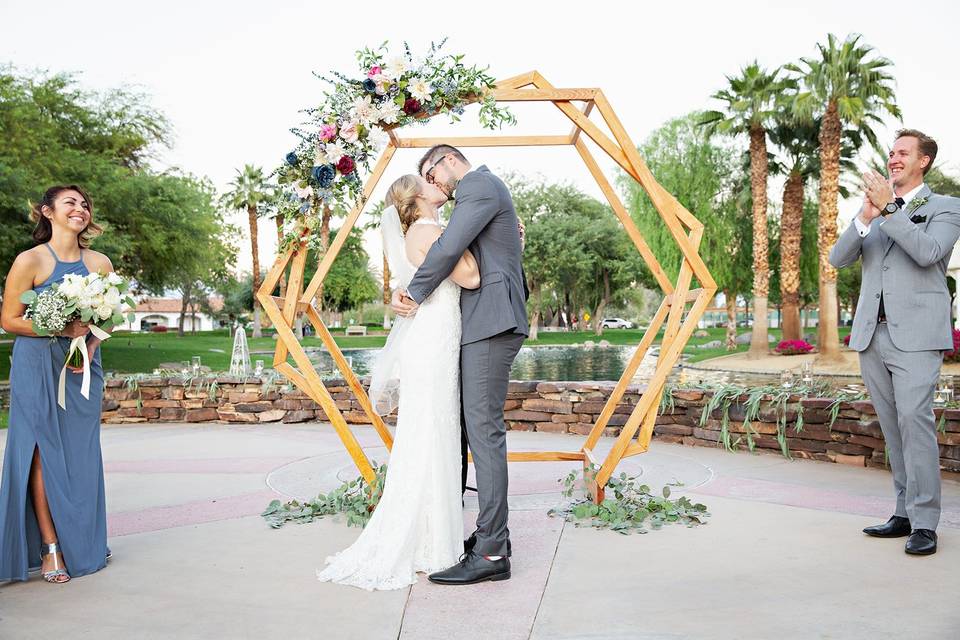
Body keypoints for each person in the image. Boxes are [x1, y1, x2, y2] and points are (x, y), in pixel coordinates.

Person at [317, 174, 480, 590]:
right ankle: (433, 544)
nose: (439, 184)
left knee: (431, 434)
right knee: (434, 434)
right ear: (419, 197)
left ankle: (435, 538)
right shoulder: (430, 231)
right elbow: (472, 276)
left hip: (434, 336)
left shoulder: (421, 232)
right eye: (429, 182)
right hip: (434, 340)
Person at [392, 145, 529, 585]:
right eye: (427, 183)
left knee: (484, 432)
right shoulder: (479, 193)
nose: (435, 187)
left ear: (448, 161)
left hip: (491, 322)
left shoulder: (478, 185)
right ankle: (491, 537)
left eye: (433, 176)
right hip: (483, 321)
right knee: (474, 429)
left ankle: (490, 553)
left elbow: (451, 247)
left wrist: (412, 293)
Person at [829, 129, 960, 556]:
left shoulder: (946, 207)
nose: (894, 158)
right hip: (873, 334)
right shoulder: (876, 210)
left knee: (915, 424)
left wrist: (888, 209)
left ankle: (925, 523)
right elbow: (838, 259)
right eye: (891, 152)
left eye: (903, 152)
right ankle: (903, 512)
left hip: (917, 337)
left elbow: (927, 253)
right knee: (893, 428)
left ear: (924, 161)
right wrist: (865, 218)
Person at [0, 185, 113, 582]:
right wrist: (58, 326)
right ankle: (51, 549)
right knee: (40, 454)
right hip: (35, 366)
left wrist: (90, 349)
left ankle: (84, 541)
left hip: (80, 370)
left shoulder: (99, 262)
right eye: (71, 203)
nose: (80, 209)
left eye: (85, 204)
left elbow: (108, 316)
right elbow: (9, 319)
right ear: (47, 212)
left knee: (80, 455)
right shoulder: (29, 260)